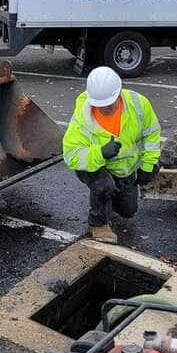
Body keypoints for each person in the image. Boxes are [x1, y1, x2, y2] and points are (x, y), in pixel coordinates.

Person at [62, 66, 162, 243]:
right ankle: (98, 224)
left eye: (109, 103)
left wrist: (148, 165)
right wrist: (100, 153)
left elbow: (151, 135)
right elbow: (71, 155)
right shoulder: (83, 118)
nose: (105, 108)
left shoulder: (139, 104)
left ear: (119, 93)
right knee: (103, 186)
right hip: (96, 168)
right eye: (100, 105)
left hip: (125, 168)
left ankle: (111, 195)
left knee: (128, 211)